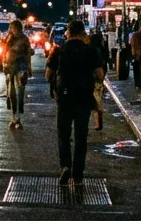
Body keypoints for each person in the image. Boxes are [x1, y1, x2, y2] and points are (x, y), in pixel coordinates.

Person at [48, 20, 104, 188]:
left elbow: (47, 74)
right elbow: (100, 74)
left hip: (64, 99)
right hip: (84, 98)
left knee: (63, 134)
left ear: (69, 33)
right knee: (81, 136)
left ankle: (65, 166)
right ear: (82, 33)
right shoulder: (91, 51)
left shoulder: (59, 50)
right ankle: (78, 174)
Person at [4, 20, 32, 129]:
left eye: (12, 27)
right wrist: (4, 63)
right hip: (10, 66)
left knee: (20, 92)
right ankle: (13, 116)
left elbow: (28, 53)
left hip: (21, 66)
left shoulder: (24, 39)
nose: (11, 29)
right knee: (11, 93)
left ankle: (19, 118)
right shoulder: (9, 38)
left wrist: (29, 68)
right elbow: (4, 52)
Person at [129, 21, 141, 89]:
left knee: (138, 70)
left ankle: (138, 83)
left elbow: (132, 45)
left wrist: (133, 54)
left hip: (139, 55)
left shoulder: (135, 35)